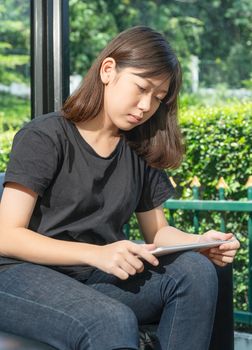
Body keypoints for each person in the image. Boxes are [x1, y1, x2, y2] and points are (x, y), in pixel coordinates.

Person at [0, 26, 239, 350]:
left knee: (198, 270)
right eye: (141, 88)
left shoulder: (139, 148)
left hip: (92, 278)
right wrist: (97, 253)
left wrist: (198, 242)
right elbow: (6, 235)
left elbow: (158, 232)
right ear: (108, 70)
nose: (146, 106)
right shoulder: (46, 136)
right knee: (111, 320)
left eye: (157, 99)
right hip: (20, 276)